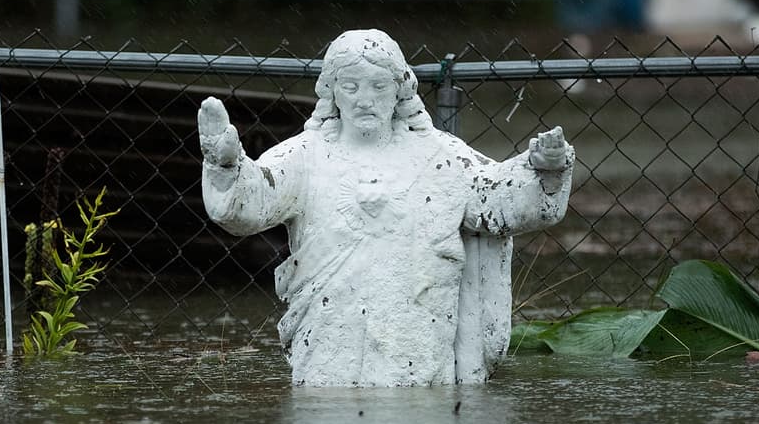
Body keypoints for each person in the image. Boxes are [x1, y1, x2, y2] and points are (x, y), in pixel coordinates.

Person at [197, 29, 573, 386]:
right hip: (329, 340)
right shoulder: (306, 155)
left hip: (417, 337)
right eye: (351, 86)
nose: (365, 98)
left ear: (399, 91)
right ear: (332, 93)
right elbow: (253, 202)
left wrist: (543, 170)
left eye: (378, 86)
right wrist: (226, 166)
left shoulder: (437, 156)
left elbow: (497, 200)